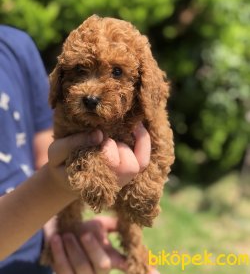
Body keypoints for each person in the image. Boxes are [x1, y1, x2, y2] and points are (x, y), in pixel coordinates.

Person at [0, 26, 153, 274]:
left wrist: (60, 235)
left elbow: (44, 155)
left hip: (40, 260)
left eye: (115, 72)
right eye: (80, 71)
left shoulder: (16, 47)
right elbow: (54, 173)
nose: (90, 90)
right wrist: (55, 187)